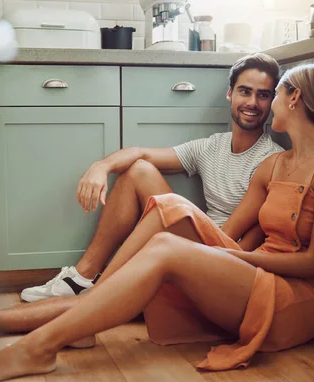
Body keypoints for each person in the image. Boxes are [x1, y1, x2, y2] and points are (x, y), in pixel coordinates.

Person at [0, 62, 314, 382]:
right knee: (164, 205)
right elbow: (224, 235)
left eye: (272, 93)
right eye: (249, 92)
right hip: (251, 275)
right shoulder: (274, 166)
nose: (265, 102)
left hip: (295, 300)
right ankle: (7, 321)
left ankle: (41, 343)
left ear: (293, 99)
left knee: (166, 236)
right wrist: (209, 255)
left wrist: (234, 260)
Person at [19, 53, 284, 302]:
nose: (252, 103)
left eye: (262, 95)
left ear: (273, 101)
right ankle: (84, 277)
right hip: (200, 240)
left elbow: (254, 238)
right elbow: (140, 153)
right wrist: (101, 167)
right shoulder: (212, 146)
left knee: (162, 200)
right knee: (138, 169)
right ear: (230, 93)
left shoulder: (274, 160)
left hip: (226, 256)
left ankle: (96, 292)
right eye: (245, 91)